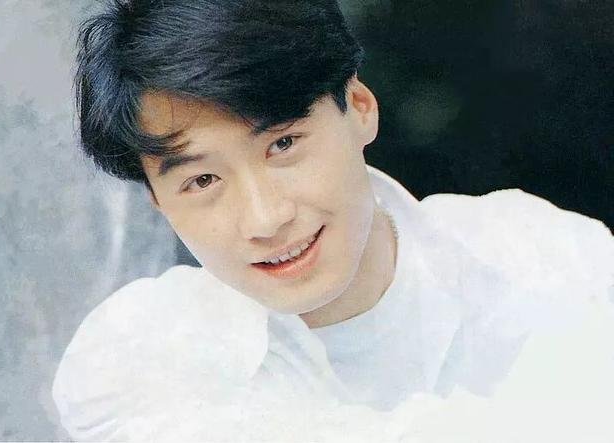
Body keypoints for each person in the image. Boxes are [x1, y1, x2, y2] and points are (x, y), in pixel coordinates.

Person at [53, 0, 614, 441]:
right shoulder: (137, 355)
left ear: (360, 107)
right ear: (157, 201)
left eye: (283, 144)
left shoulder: (546, 258)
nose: (266, 219)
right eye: (202, 181)